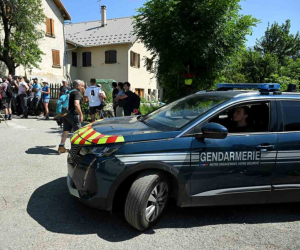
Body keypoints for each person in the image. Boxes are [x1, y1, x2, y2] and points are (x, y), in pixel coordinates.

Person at [58, 80, 84, 154]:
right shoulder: (77, 93)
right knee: (78, 132)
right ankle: (77, 149)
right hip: (74, 115)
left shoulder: (69, 91)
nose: (83, 87)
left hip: (66, 114)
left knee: (66, 130)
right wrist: (81, 114)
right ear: (77, 86)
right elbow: (76, 104)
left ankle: (61, 146)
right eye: (82, 86)